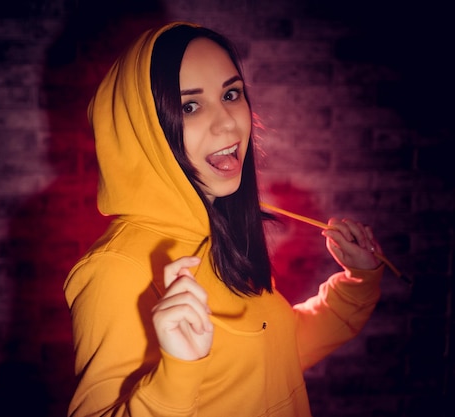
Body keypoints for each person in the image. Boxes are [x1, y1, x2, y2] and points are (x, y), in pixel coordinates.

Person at [63, 21, 384, 417]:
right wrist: (177, 374)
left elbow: (272, 355)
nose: (228, 123)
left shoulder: (221, 231)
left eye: (231, 94)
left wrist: (356, 285)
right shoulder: (117, 269)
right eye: (190, 106)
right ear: (145, 130)